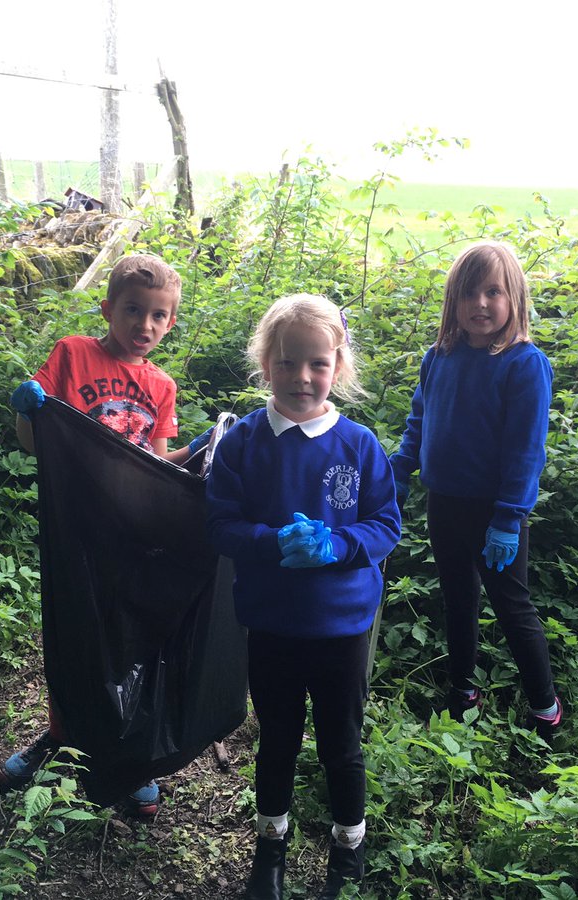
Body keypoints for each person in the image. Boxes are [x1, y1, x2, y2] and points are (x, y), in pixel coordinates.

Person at [0, 253, 211, 817]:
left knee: (125, 637)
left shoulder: (161, 385)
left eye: (159, 316)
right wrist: (27, 412)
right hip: (75, 528)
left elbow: (155, 469)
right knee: (71, 633)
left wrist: (200, 452)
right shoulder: (73, 354)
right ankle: (59, 736)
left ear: (170, 322)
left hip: (131, 538)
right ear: (107, 309)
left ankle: (127, 756)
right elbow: (36, 443)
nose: (145, 324)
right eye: (133, 310)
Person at [206, 294, 401, 900]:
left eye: (318, 363)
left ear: (338, 367)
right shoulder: (243, 443)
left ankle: (349, 847)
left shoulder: (359, 445)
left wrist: (338, 545)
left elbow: (386, 524)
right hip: (272, 625)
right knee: (278, 741)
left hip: (342, 627)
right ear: (266, 364)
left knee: (342, 744)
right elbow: (219, 525)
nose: (302, 377)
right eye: (287, 363)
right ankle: (270, 851)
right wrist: (269, 542)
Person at [389, 241, 562, 736]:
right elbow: (419, 421)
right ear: (453, 301)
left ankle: (545, 704)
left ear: (514, 299)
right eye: (468, 293)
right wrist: (399, 471)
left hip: (495, 513)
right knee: (457, 598)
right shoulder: (439, 356)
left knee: (512, 606)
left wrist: (509, 517)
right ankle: (463, 688)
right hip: (444, 503)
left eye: (493, 292)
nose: (480, 304)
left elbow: (526, 450)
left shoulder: (524, 364)